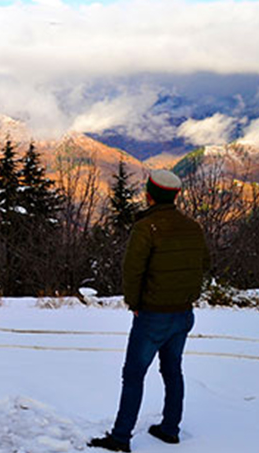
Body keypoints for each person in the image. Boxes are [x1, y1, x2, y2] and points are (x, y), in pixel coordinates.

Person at [89, 169, 210, 452]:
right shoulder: (193, 227)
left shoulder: (146, 227)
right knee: (173, 371)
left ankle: (120, 438)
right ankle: (170, 429)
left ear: (149, 195)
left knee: (133, 374)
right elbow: (204, 264)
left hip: (153, 314)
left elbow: (132, 270)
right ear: (176, 195)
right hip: (183, 313)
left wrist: (135, 304)